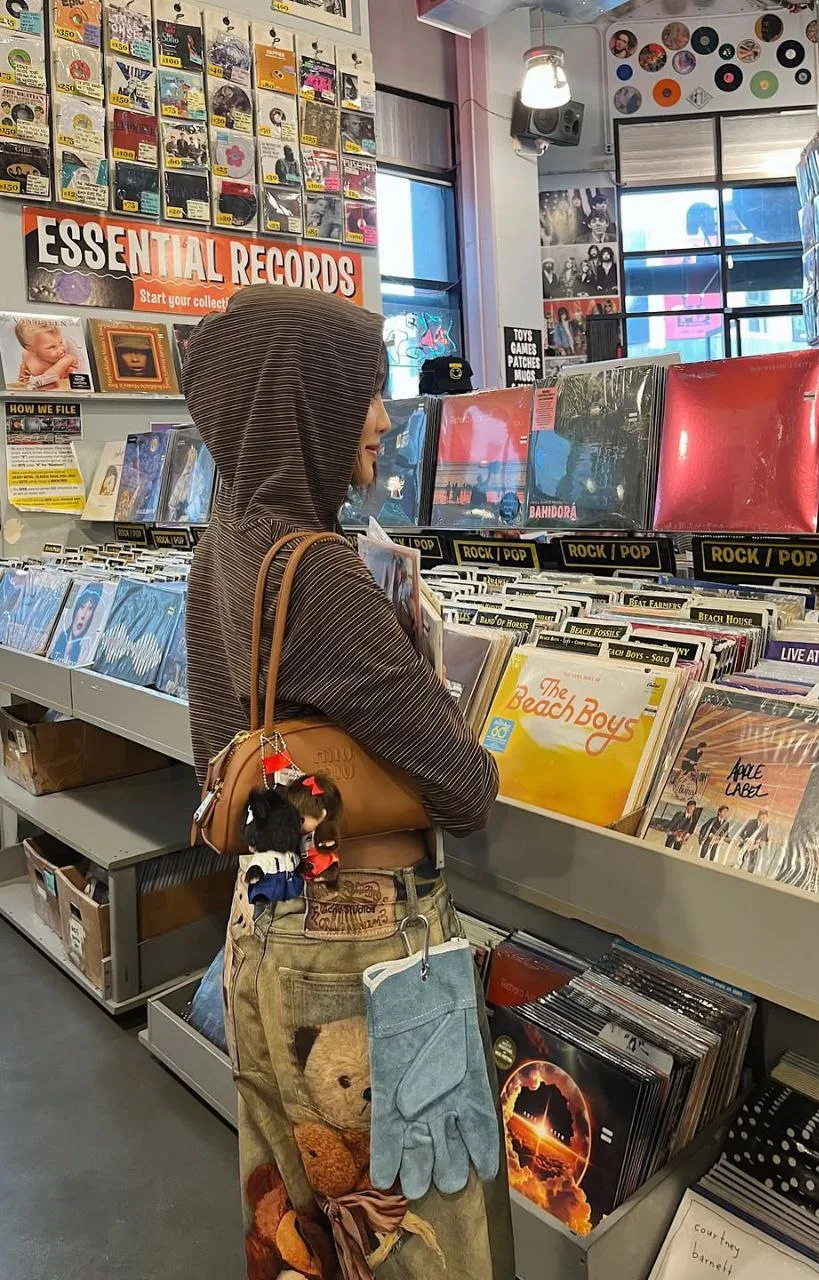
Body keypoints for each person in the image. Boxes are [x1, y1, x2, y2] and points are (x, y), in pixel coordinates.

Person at [182, 286, 514, 1280]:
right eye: (362, 392)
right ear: (304, 399)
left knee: (300, 1231)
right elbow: (466, 788)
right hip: (362, 948)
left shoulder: (225, 539)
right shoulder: (323, 571)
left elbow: (223, 760)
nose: (383, 420)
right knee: (415, 1239)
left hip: (265, 924)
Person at [12, 317, 82, 390]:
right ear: (31, 349)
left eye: (60, 342)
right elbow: (23, 377)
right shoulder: (27, 355)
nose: (61, 349)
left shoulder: (67, 360)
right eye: (52, 347)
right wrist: (23, 378)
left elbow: (47, 380)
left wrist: (65, 362)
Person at [736, 808, 769, 874]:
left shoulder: (765, 825)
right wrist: (743, 840)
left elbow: (764, 836)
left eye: (765, 817)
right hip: (746, 844)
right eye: (762, 816)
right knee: (741, 859)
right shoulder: (751, 822)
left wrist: (767, 841)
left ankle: (749, 873)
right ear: (759, 815)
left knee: (752, 861)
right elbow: (742, 831)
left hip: (755, 845)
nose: (764, 818)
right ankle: (737, 870)